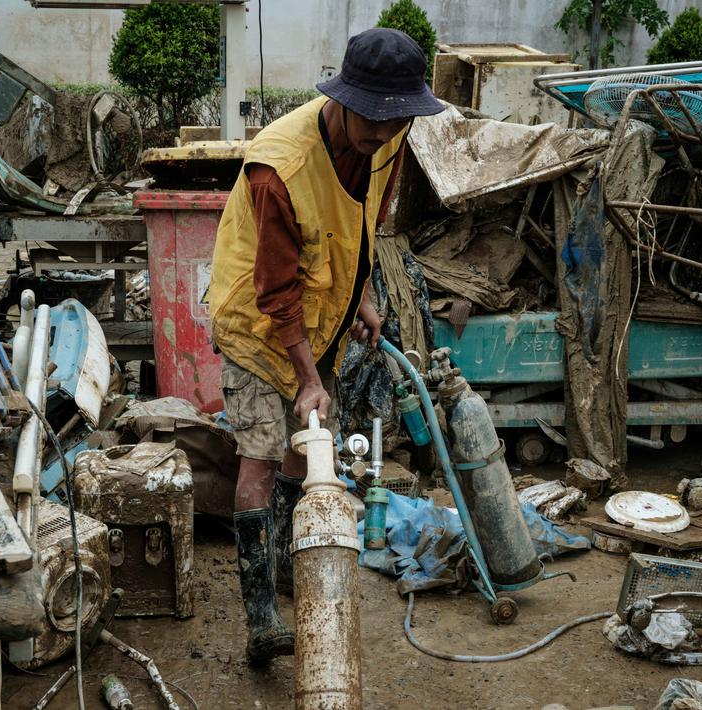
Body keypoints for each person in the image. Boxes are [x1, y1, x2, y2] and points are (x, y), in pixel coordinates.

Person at [207, 27, 444, 664]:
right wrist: (309, 376)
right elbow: (275, 292)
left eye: (396, 123)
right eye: (372, 122)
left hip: (322, 320)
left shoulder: (389, 141)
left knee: (301, 449)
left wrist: (363, 295)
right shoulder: (277, 167)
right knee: (260, 456)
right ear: (343, 98)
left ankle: (291, 570)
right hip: (259, 326)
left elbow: (365, 226)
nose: (382, 135)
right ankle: (261, 614)